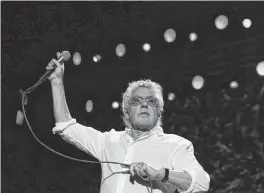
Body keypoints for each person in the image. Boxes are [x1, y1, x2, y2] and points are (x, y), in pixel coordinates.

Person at [46, 53, 210, 193]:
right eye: (137, 101)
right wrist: (57, 82)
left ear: (159, 111)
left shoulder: (176, 144)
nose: (144, 104)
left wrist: (161, 174)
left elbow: (201, 183)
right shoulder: (107, 141)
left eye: (151, 101)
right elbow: (66, 127)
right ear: (126, 110)